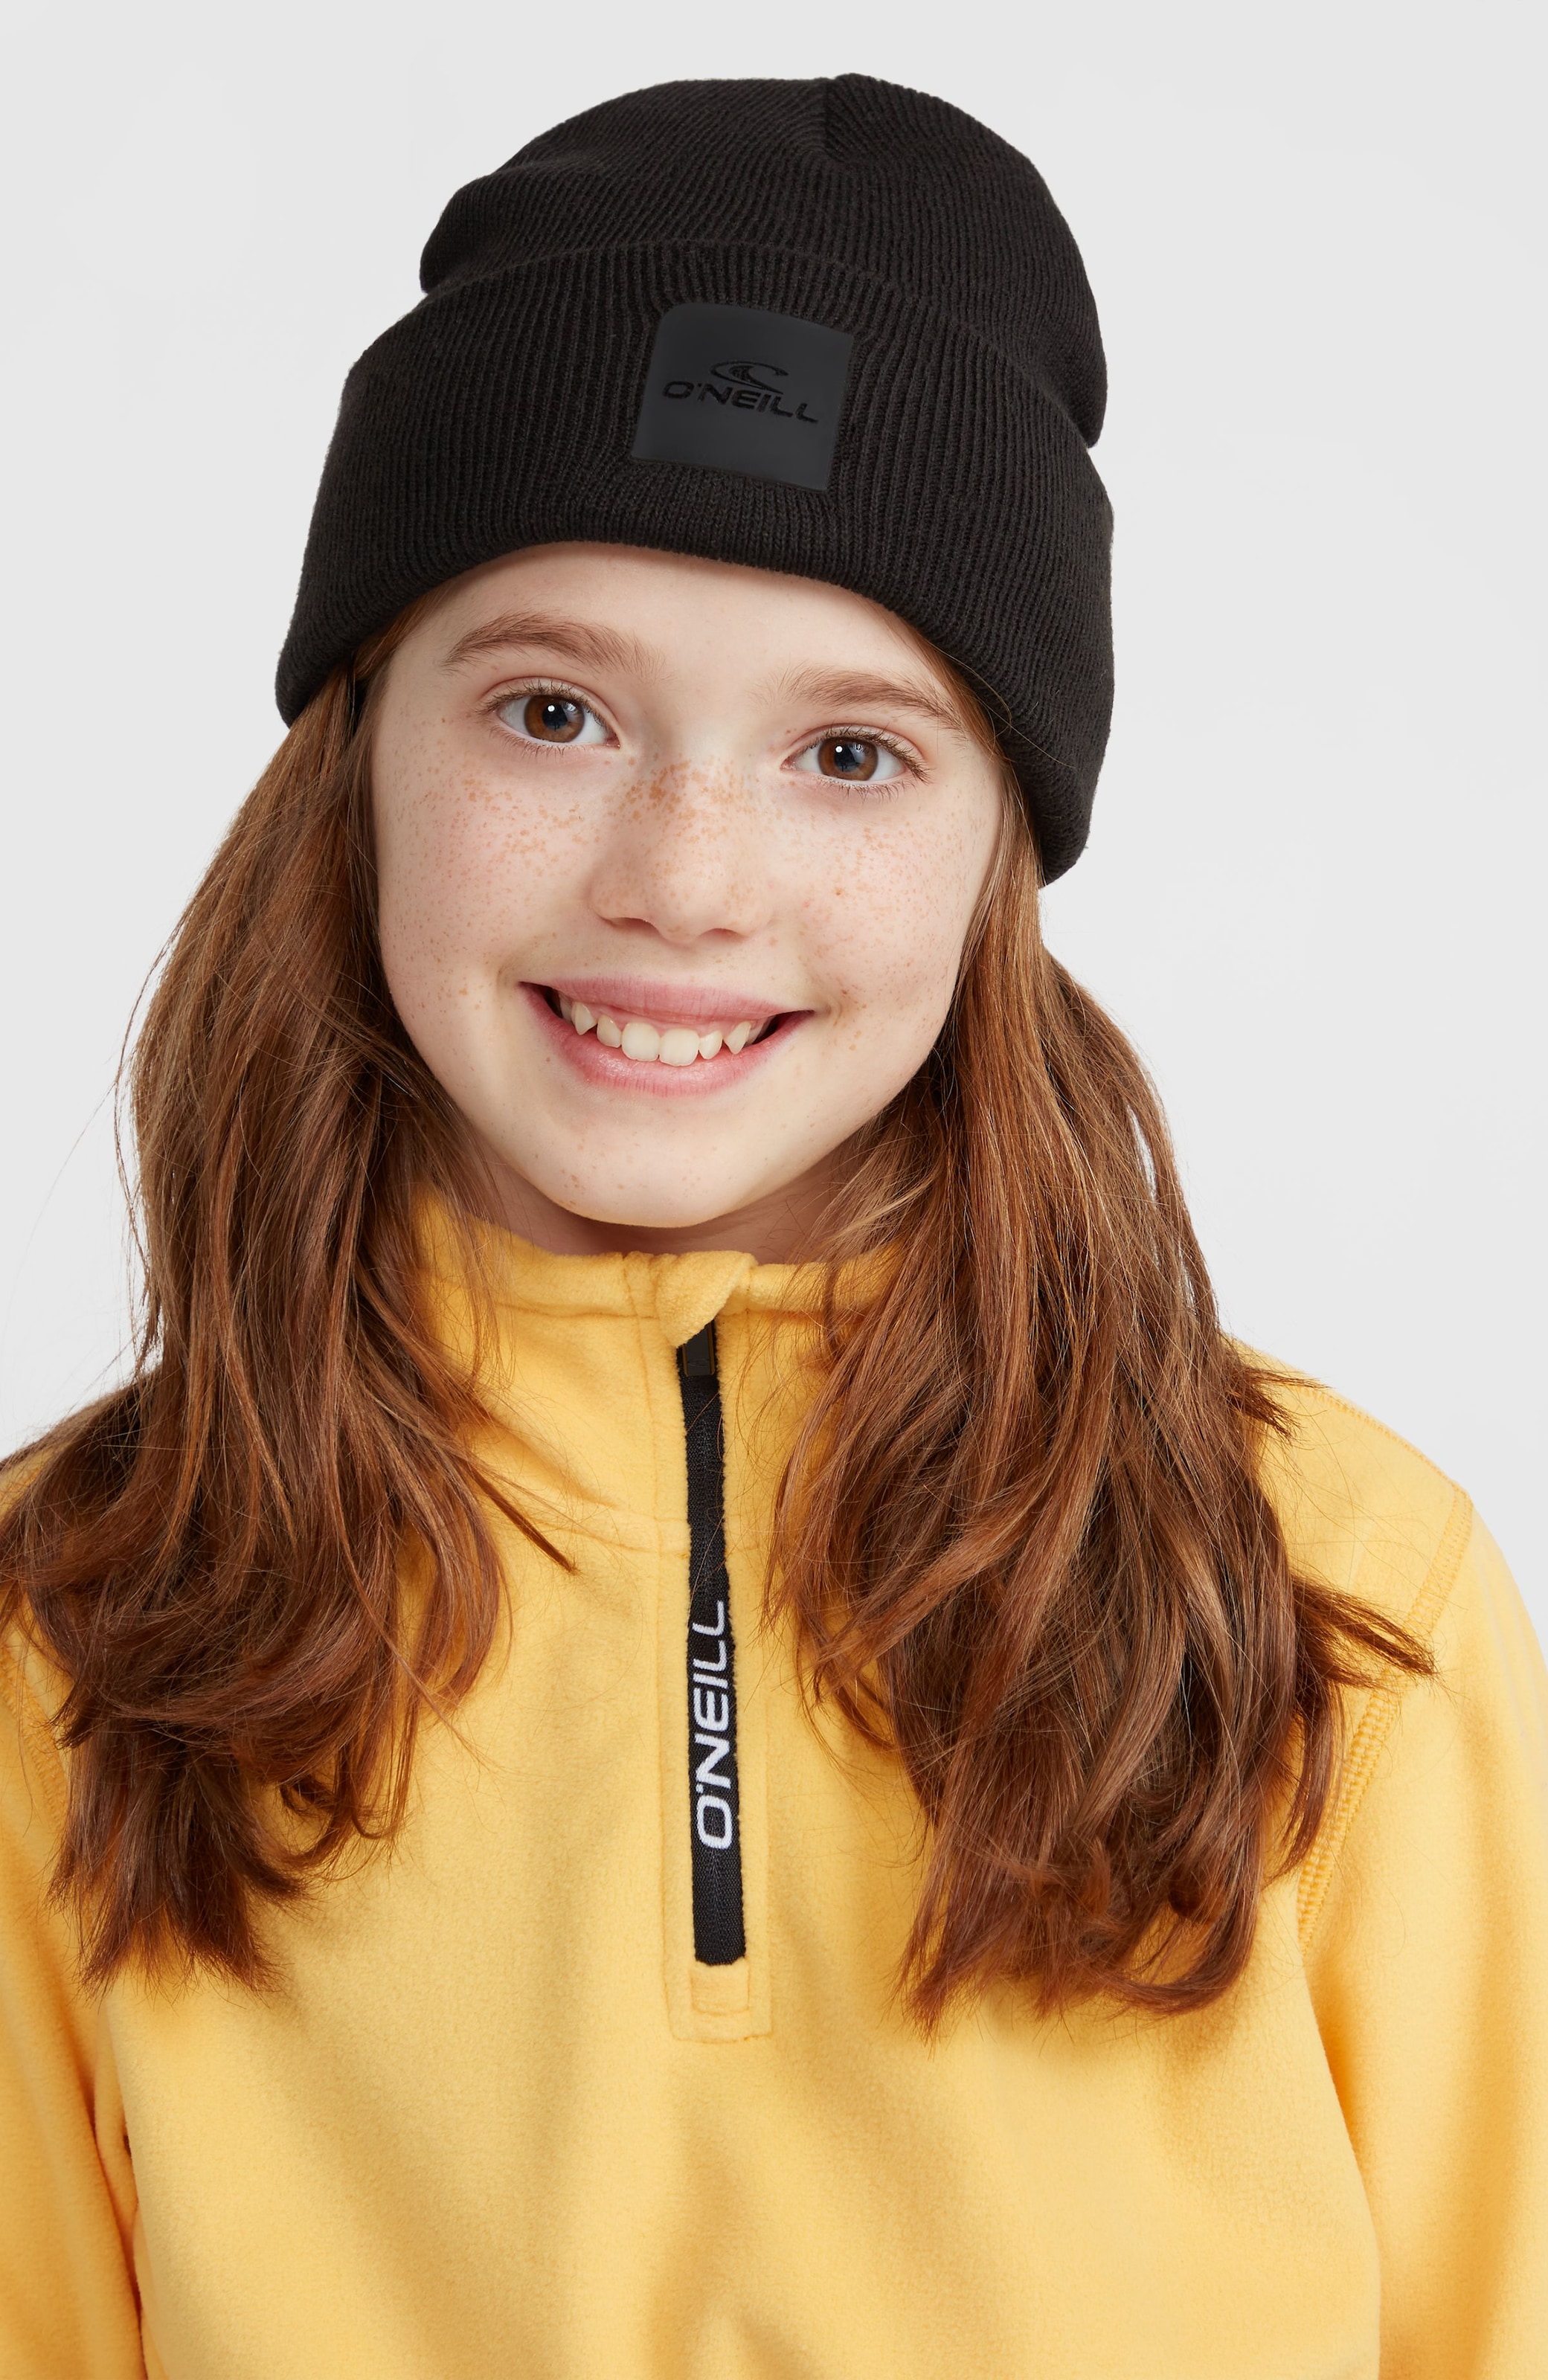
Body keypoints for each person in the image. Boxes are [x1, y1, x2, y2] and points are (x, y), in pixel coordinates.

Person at [1, 73, 1543, 2380]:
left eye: (849, 754)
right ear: (358, 755)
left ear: (996, 848)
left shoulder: (1330, 1595)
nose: (683, 879)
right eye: (552, 711)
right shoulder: (72, 1634)